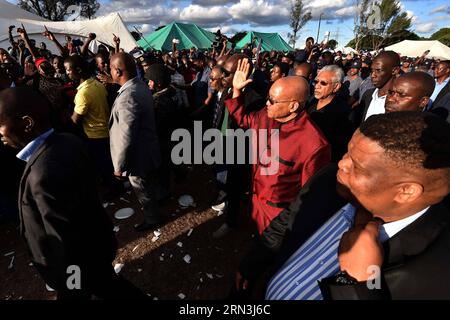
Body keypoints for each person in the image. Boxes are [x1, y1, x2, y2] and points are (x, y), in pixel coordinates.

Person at [266, 112, 450, 300]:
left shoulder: (440, 275)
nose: (341, 163)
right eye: (347, 152)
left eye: (357, 166)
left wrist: (359, 286)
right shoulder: (329, 180)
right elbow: (285, 224)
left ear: (406, 191)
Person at [0, 87, 144, 299]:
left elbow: (64, 241)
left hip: (76, 267)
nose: (0, 134)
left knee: (106, 287)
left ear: (27, 123)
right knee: (109, 286)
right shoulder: (68, 141)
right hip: (95, 247)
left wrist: (71, 283)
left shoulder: (41, 175)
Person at [224, 58, 331, 235]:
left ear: (293, 106)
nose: (267, 103)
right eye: (268, 98)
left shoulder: (314, 145)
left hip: (278, 216)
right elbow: (243, 119)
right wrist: (236, 90)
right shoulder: (265, 115)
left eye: (273, 101)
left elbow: (309, 196)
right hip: (255, 202)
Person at [109, 52, 162, 232]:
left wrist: (119, 165)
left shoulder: (127, 96)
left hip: (138, 155)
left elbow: (126, 134)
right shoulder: (140, 85)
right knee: (149, 184)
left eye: (110, 68)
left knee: (142, 188)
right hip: (147, 148)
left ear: (118, 71)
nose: (109, 72)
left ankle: (152, 218)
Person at [64, 55, 122, 200]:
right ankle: (117, 185)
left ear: (77, 70)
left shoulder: (82, 93)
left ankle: (115, 190)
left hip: (95, 135)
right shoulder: (96, 84)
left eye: (68, 70)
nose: (67, 73)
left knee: (104, 166)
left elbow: (75, 120)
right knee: (109, 163)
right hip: (107, 131)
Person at [308, 65, 354, 162]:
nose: (317, 86)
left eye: (323, 83)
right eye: (316, 81)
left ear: (336, 86)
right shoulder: (310, 102)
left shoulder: (343, 112)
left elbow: (340, 148)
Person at [357, 51, 400, 123]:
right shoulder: (368, 94)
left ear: (395, 70)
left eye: (378, 70)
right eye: (372, 70)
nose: (373, 75)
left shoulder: (400, 101)